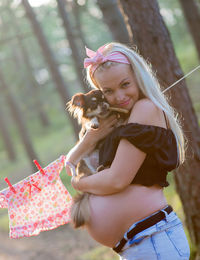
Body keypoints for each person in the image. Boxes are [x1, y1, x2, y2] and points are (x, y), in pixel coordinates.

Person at [65, 42, 190, 259]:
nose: (119, 96)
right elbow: (72, 162)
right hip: (137, 243)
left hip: (154, 239)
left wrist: (78, 183)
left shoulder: (145, 108)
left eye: (125, 84)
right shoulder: (121, 121)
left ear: (138, 77)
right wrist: (91, 138)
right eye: (108, 91)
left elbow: (116, 180)